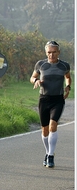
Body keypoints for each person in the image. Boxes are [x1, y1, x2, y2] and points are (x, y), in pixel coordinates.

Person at [29, 40, 72, 168]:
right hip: (44, 99)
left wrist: (68, 86)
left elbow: (68, 77)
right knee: (45, 129)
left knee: (53, 125)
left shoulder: (64, 65)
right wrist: (36, 80)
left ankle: (51, 156)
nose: (51, 55)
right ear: (46, 52)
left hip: (58, 100)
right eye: (49, 52)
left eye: (54, 52)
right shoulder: (40, 64)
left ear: (58, 52)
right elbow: (32, 77)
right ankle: (47, 153)